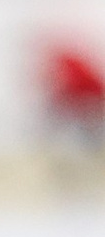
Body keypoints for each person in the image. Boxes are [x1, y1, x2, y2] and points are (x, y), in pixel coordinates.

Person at [37, 33, 105, 193]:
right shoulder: (69, 69)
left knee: (91, 145)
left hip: (92, 112)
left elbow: (92, 92)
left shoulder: (74, 69)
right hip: (84, 114)